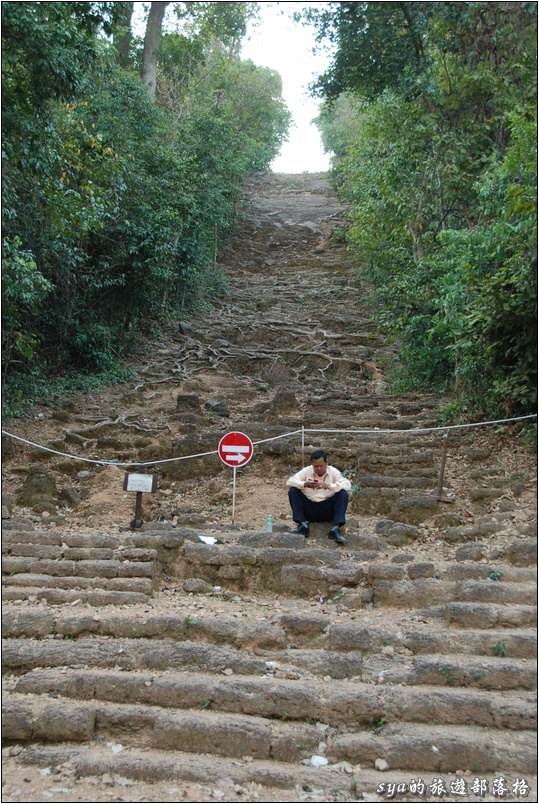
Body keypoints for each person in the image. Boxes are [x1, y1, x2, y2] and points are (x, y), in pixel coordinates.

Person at [286, 449, 351, 545]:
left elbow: (347, 484)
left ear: (326, 463)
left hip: (328, 510)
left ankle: (335, 528)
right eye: (316, 466)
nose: (319, 468)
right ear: (312, 464)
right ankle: (302, 525)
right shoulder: (307, 471)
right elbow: (289, 481)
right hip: (310, 509)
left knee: (343, 494)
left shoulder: (333, 472)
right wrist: (305, 484)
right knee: (293, 491)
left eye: (321, 466)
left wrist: (329, 486)